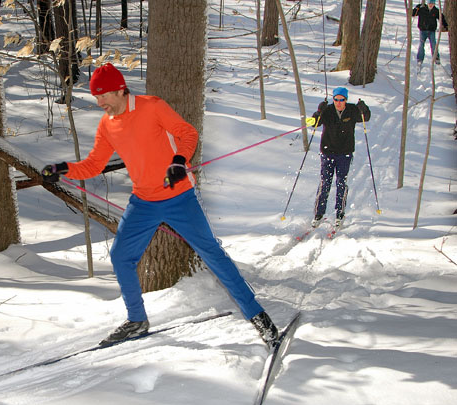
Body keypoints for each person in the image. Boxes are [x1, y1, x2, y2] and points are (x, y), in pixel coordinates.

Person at [41, 63, 279, 348]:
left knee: (212, 254)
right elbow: (94, 164)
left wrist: (179, 161)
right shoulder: (107, 125)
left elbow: (187, 133)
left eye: (103, 95)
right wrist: (63, 168)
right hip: (143, 202)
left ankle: (258, 316)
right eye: (96, 96)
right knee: (121, 257)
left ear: (120, 89)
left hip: (180, 197)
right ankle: (137, 320)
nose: (100, 102)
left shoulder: (151, 106)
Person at [307, 87, 371, 229]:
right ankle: (318, 214)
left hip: (344, 153)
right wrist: (318, 112)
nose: (339, 102)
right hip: (327, 152)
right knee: (325, 183)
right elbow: (312, 123)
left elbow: (366, 117)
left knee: (341, 183)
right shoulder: (328, 111)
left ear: (346, 100)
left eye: (342, 100)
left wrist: (364, 108)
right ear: (333, 99)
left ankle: (340, 213)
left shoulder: (352, 110)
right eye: (336, 99)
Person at [412, 0, 448, 66]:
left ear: (434, 4)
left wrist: (445, 25)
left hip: (431, 31)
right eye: (429, 3)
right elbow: (412, 14)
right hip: (423, 30)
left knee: (433, 44)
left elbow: (441, 18)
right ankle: (420, 59)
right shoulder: (422, 9)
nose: (431, 5)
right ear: (427, 3)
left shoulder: (436, 10)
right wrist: (416, 8)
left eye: (432, 3)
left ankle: (436, 58)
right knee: (421, 44)